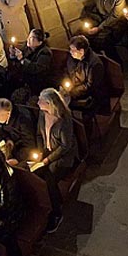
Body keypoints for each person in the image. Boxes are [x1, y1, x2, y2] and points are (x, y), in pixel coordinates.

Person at [31, 88, 77, 233]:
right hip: (47, 153)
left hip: (63, 157)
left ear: (50, 104)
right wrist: (40, 152)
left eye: (41, 101)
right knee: (34, 174)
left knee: (50, 177)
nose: (38, 103)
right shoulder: (42, 114)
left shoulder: (64, 120)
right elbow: (39, 134)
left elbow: (65, 146)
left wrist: (47, 160)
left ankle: (57, 212)